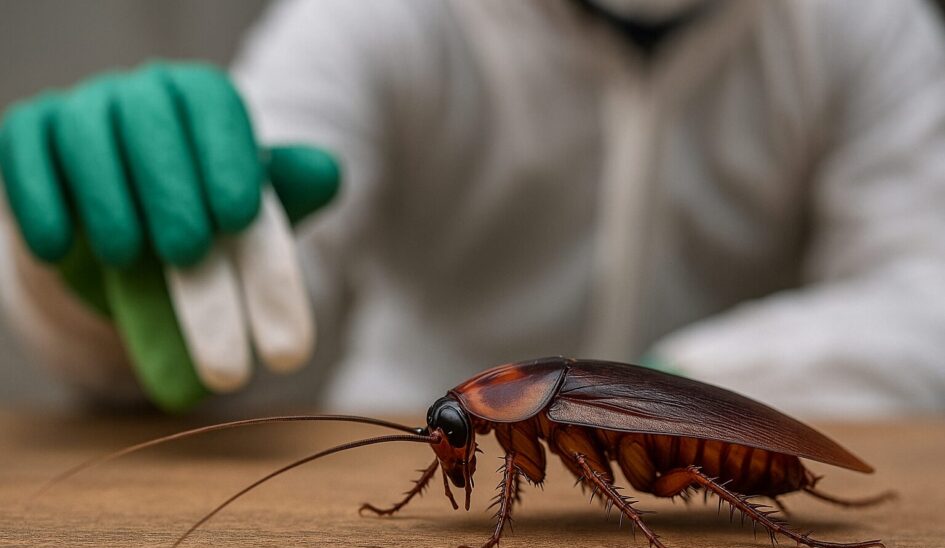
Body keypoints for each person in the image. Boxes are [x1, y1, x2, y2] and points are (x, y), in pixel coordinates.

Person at [1, 0, 944, 418]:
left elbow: (926, 300)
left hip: (728, 487)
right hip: (407, 491)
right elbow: (250, 308)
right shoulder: (372, 18)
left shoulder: (862, 23)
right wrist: (103, 298)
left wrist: (666, 393)